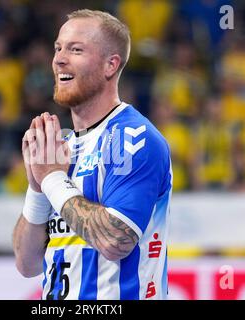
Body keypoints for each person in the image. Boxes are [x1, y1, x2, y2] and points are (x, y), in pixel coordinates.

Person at [12, 9, 172, 300]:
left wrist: (51, 178)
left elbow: (115, 241)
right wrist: (37, 188)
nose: (59, 58)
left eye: (76, 50)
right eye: (58, 48)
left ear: (110, 65)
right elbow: (27, 263)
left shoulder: (133, 137)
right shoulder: (59, 148)